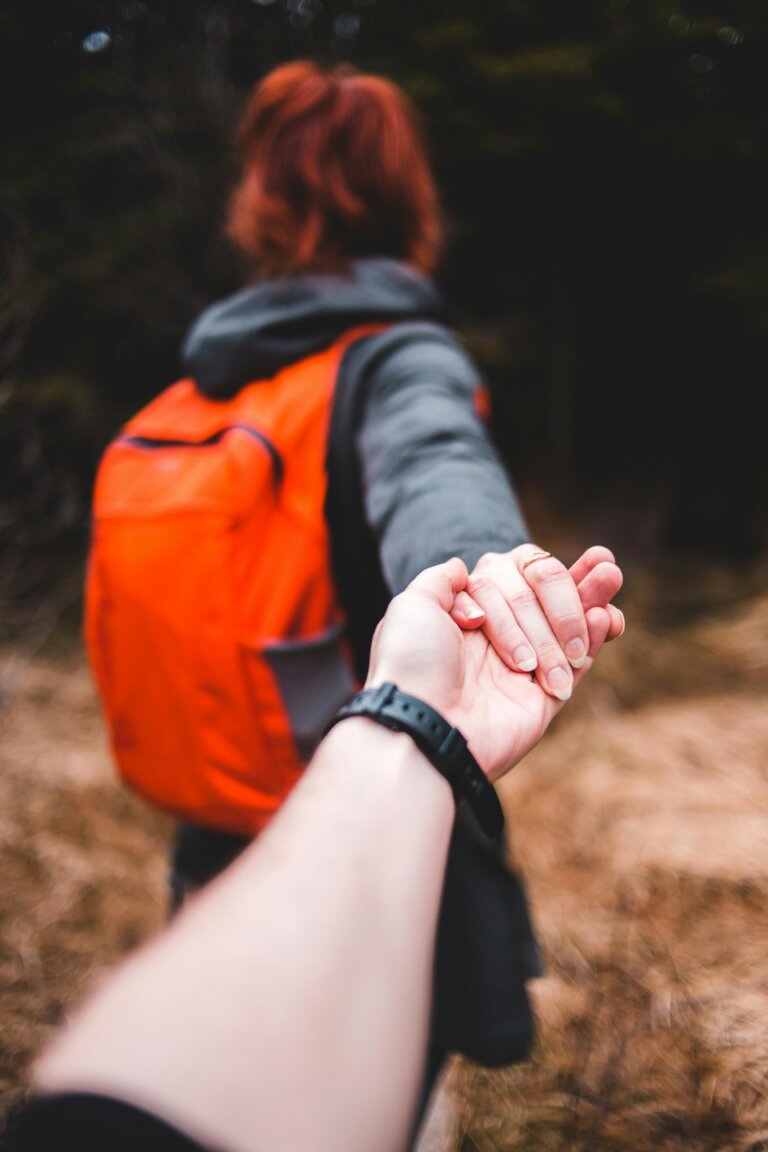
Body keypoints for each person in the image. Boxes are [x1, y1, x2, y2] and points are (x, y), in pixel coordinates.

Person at [82, 57, 625, 1135]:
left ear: (261, 204)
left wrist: (471, 553)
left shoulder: (205, 386)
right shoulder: (399, 356)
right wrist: (487, 570)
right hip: (385, 831)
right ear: (408, 202)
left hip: (218, 839)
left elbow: (434, 471)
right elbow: (437, 459)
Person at [7, 553, 623, 1152]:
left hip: (221, 823)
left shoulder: (163, 448)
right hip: (326, 861)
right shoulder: (367, 441)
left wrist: (420, 704)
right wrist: (511, 588)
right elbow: (440, 470)